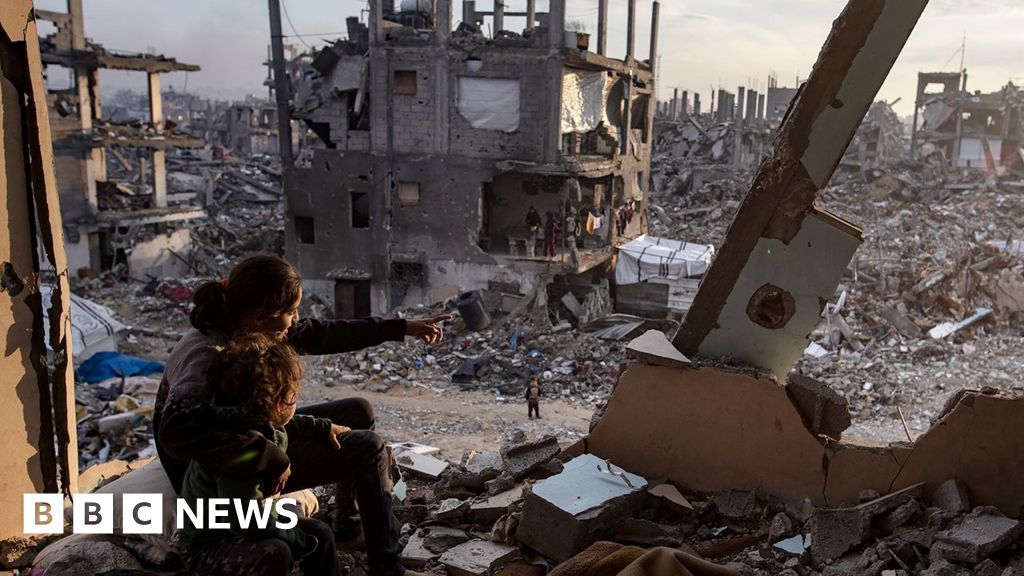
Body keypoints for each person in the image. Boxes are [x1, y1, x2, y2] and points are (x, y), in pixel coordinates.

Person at [154, 253, 447, 576]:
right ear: (260, 315)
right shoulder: (207, 354)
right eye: (291, 311)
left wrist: (401, 327)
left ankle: (346, 525)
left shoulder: (253, 327)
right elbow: (175, 433)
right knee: (370, 448)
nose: (296, 320)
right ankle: (387, 568)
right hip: (218, 469)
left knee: (357, 411)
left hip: (244, 436)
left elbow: (323, 334)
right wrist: (269, 457)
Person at [179, 334, 340, 576]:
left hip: (250, 519)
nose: (295, 403)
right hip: (209, 544)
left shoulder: (252, 418)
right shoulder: (240, 452)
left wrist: (323, 427)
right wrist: (296, 539)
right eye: (293, 397)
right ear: (277, 403)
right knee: (276, 551)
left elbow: (287, 425)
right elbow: (244, 521)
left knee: (321, 533)